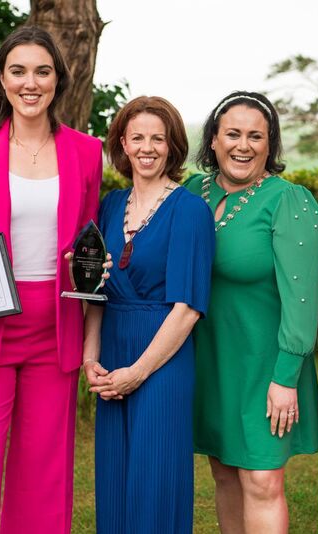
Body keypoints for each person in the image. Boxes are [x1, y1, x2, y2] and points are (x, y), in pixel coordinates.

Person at [0, 25, 108, 534]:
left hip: (54, 332)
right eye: (18, 71)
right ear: (1, 80)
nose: (30, 83)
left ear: (58, 80)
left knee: (44, 476)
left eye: (42, 71)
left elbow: (88, 241)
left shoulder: (86, 151)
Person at [184, 91, 318, 534]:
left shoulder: (289, 201)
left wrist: (286, 378)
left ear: (270, 145)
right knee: (224, 471)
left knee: (261, 479)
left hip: (266, 365)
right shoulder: (192, 192)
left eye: (255, 136)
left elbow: (303, 300)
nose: (242, 145)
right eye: (232, 134)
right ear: (212, 141)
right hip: (209, 358)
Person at [83, 96, 215, 534]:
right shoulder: (109, 204)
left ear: (172, 146)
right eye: (137, 137)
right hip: (112, 355)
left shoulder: (189, 209)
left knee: (154, 482)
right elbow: (95, 293)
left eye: (158, 138)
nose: (147, 147)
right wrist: (91, 361)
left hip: (162, 361)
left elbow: (188, 309)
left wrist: (137, 373)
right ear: (123, 143)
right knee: (116, 482)